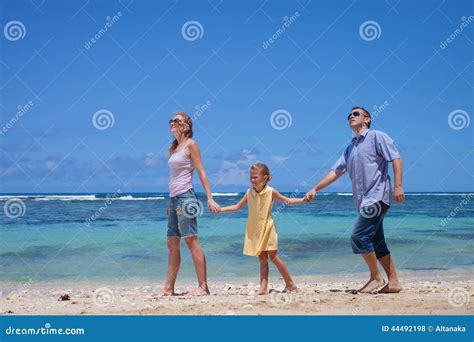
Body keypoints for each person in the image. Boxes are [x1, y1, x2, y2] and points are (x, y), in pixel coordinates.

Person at [304, 107, 405, 293]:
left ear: (367, 119)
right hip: (363, 202)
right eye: (349, 115)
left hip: (377, 196)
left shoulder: (376, 136)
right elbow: (336, 171)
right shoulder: (350, 148)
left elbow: (396, 159)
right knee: (377, 241)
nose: (351, 116)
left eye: (356, 114)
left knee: (358, 236)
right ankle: (394, 282)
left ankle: (376, 278)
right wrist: (315, 188)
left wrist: (398, 186)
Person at [216, 163, 308, 294]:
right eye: (251, 177)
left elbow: (287, 201)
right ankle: (263, 287)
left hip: (268, 228)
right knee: (262, 259)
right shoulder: (249, 192)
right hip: (255, 230)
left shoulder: (271, 191)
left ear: (265, 178)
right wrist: (220, 209)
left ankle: (290, 284)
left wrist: (303, 200)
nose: (252, 180)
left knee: (274, 257)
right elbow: (237, 207)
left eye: (255, 177)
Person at [163, 112, 220, 296]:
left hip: (187, 198)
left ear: (186, 125)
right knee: (172, 243)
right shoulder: (175, 148)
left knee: (191, 241)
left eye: (176, 120)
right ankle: (168, 289)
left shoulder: (191, 145)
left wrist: (209, 198)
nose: (172, 123)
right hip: (174, 199)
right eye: (171, 120)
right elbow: (174, 177)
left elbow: (202, 172)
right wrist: (170, 201)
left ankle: (203, 287)